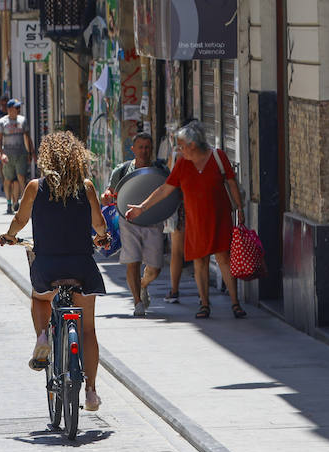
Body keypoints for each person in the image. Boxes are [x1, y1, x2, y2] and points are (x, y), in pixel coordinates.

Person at [0, 132, 110, 412]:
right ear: (77, 158)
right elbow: (99, 225)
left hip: (48, 266)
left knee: (39, 299)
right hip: (82, 267)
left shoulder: (35, 187)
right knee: (88, 329)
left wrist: (9, 236)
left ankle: (42, 338)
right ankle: (91, 392)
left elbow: (20, 219)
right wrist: (101, 237)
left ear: (46, 158)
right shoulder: (86, 187)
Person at [126, 121, 246, 319]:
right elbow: (165, 189)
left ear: (193, 145)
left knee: (223, 258)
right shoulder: (183, 163)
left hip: (219, 218)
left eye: (181, 146)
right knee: (200, 261)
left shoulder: (218, 157)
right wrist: (142, 207)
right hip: (196, 221)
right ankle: (204, 304)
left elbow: (231, 182)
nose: (179, 150)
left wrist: (240, 208)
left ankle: (235, 303)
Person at [100, 132, 166, 317]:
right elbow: (108, 193)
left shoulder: (160, 170)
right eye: (140, 147)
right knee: (133, 261)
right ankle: (138, 302)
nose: (144, 151)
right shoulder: (121, 171)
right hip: (128, 221)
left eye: (147, 147)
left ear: (151, 149)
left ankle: (143, 284)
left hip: (153, 222)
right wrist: (106, 196)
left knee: (155, 268)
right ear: (133, 149)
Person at [152, 128, 187, 303]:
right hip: (189, 206)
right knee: (196, 253)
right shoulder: (201, 155)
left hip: (180, 207)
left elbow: (170, 180)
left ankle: (174, 291)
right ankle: (202, 298)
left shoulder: (176, 154)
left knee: (177, 251)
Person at [0, 99, 35, 215]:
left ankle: (23, 202)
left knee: (21, 178)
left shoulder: (22, 120)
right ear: (9, 109)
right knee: (8, 180)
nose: (18, 110)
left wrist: (31, 152)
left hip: (21, 154)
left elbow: (27, 137)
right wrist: (0, 152)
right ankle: (9, 203)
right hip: (7, 155)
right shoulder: (2, 122)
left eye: (19, 108)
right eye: (16, 108)